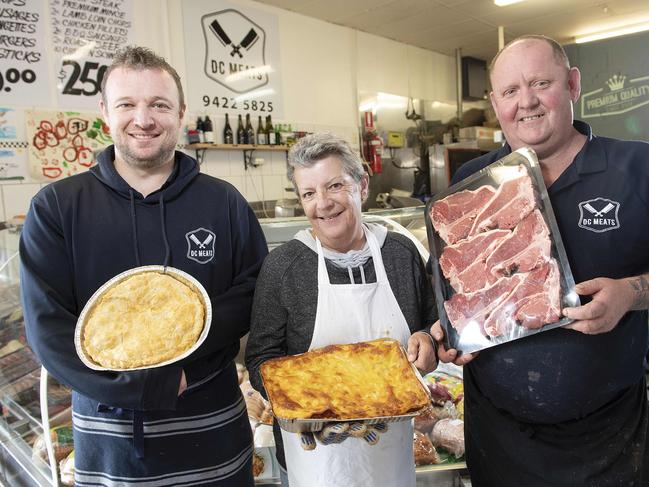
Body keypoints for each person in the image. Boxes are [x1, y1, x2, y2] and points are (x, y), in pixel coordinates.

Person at [20, 46, 268, 486]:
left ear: (181, 113)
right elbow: (47, 327)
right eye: (127, 104)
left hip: (213, 425)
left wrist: (182, 367)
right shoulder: (57, 207)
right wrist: (135, 389)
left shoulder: (223, 201)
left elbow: (252, 290)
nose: (144, 118)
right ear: (104, 113)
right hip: (110, 438)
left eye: (159, 104)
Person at [432, 35, 649, 486]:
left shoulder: (637, 168)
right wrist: (450, 333)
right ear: (495, 103)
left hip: (609, 440)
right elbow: (457, 289)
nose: (526, 102)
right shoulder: (473, 181)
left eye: (539, 83)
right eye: (510, 91)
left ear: (572, 85)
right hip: (500, 440)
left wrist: (631, 293)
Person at [245, 133, 438, 487]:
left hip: (392, 449)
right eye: (308, 193)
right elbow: (261, 360)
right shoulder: (283, 266)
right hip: (314, 455)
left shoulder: (400, 253)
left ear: (362, 186)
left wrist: (429, 343)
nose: (323, 203)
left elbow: (430, 325)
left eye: (334, 186)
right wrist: (306, 411)